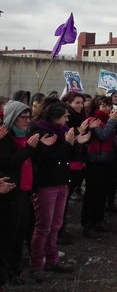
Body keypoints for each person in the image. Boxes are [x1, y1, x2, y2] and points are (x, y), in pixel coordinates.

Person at [29, 100, 90, 277]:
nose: (67, 119)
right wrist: (69, 144)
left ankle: (52, 259)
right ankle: (36, 264)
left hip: (62, 181)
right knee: (43, 226)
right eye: (64, 116)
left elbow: (68, 156)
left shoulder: (63, 131)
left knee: (56, 224)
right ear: (55, 118)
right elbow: (50, 159)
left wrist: (77, 142)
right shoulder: (40, 132)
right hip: (46, 184)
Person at [0, 102, 36, 286]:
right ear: (13, 117)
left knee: (20, 232)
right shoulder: (5, 137)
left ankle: (15, 268)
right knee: (9, 234)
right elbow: (7, 162)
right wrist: (29, 149)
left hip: (25, 189)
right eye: (23, 117)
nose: (27, 121)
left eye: (29, 117)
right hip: (11, 192)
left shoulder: (26, 135)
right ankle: (7, 272)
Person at [81, 96, 117, 238]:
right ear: (97, 107)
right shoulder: (94, 120)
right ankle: (87, 223)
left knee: (102, 193)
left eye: (108, 105)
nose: (107, 108)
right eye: (103, 105)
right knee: (92, 193)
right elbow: (103, 135)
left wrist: (116, 120)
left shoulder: (108, 120)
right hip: (95, 161)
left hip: (108, 159)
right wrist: (112, 121)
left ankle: (99, 220)